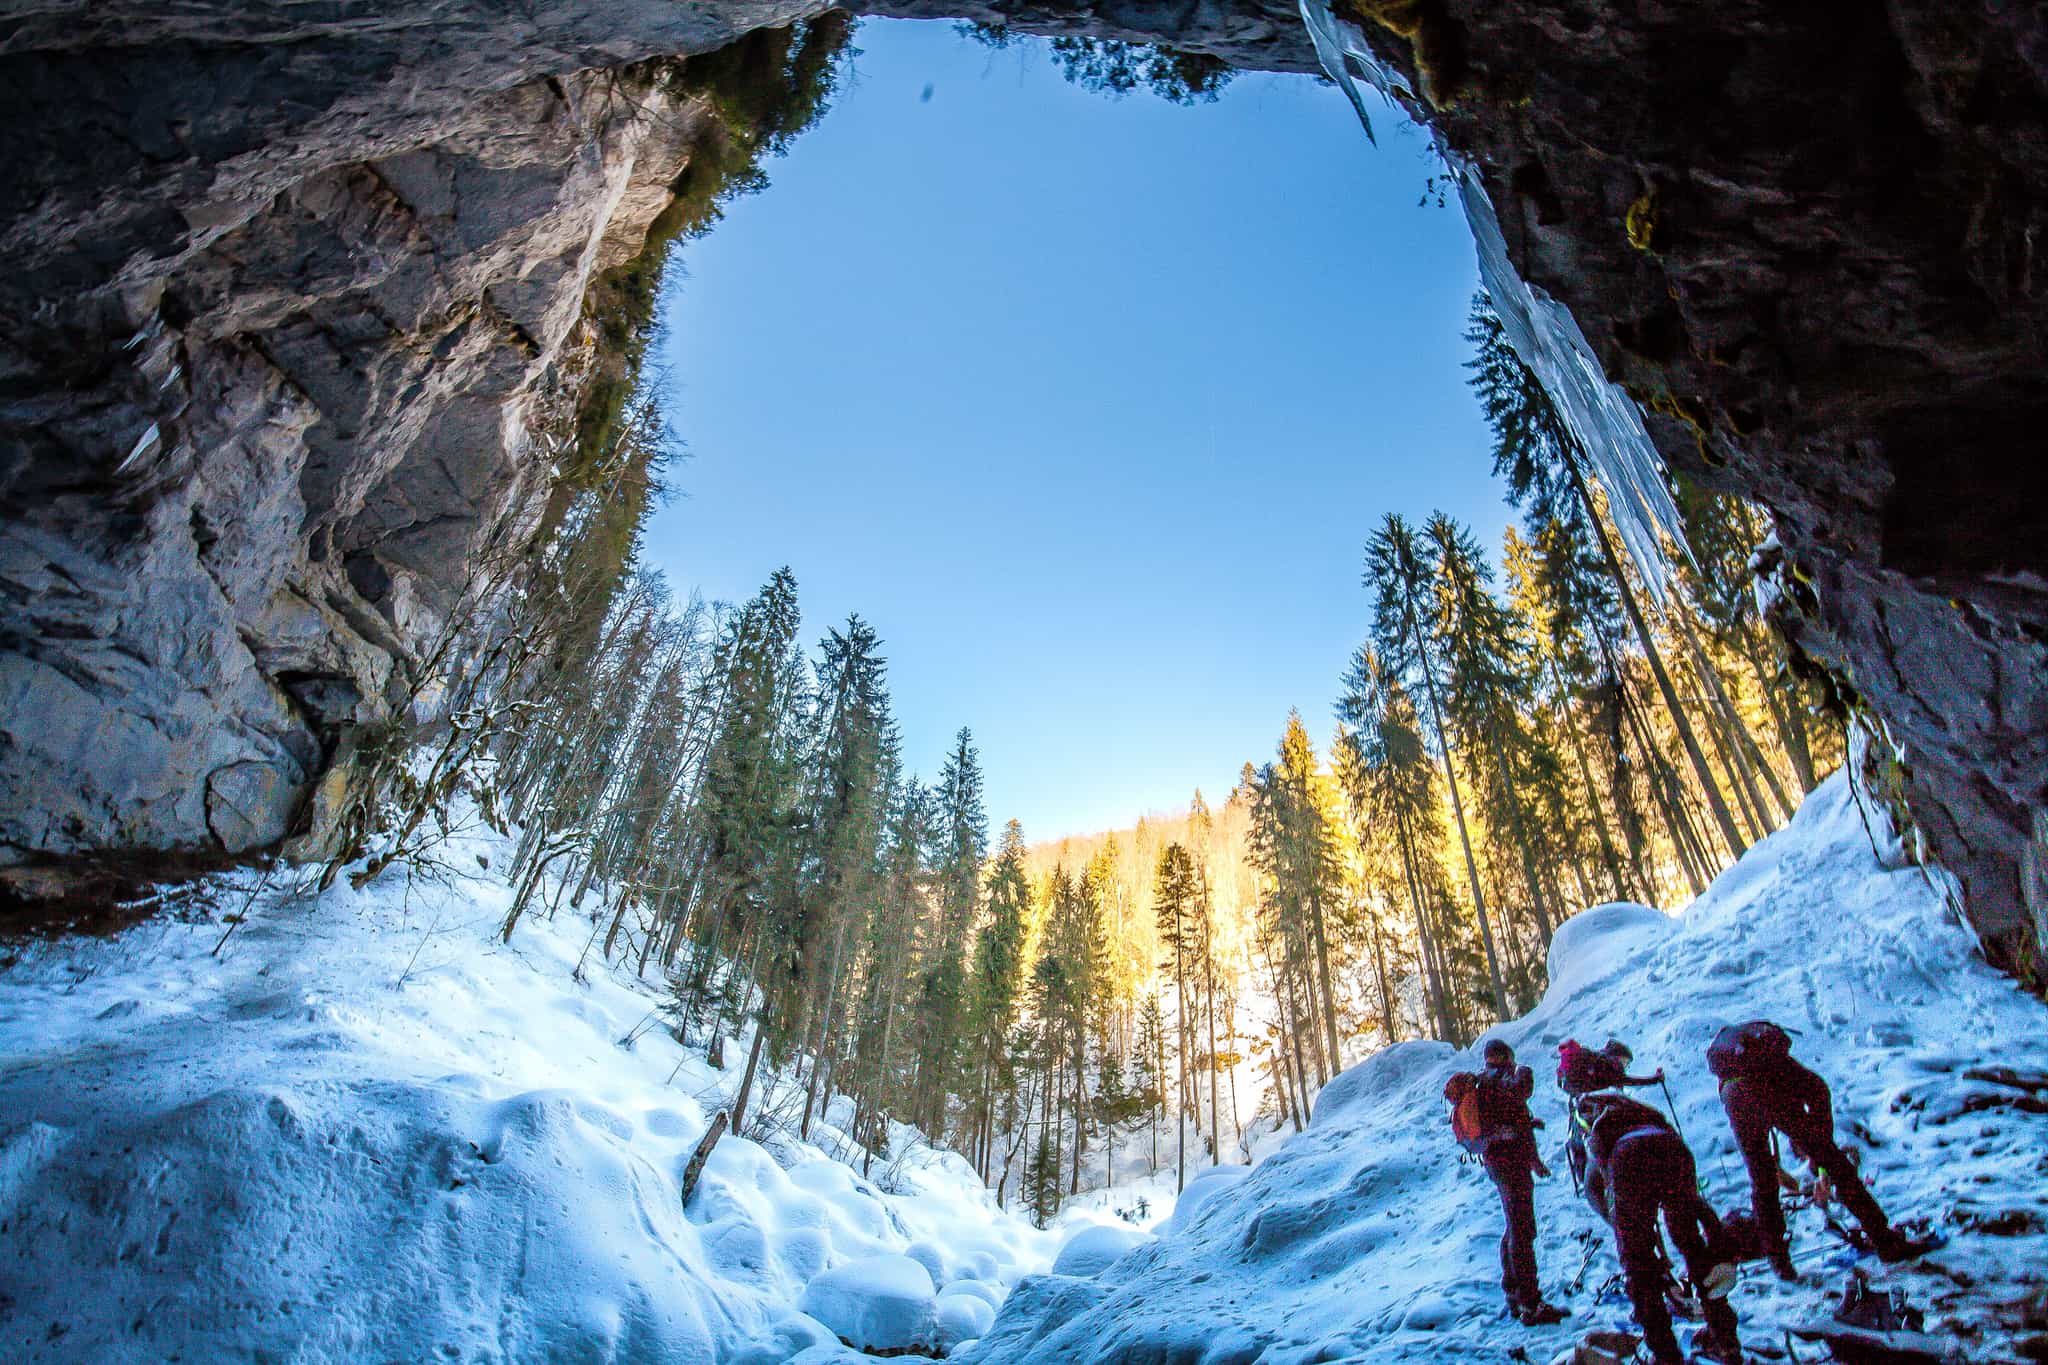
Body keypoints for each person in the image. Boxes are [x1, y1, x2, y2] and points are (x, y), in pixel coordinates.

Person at [1709, 1021, 1933, 1279]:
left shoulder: (1734, 1068)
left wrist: (1810, 1154)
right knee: (1840, 1169)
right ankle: (1886, 1242)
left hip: (1733, 1099)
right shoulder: (1791, 1075)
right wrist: (1823, 1161)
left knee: (1763, 1183)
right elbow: (1818, 1096)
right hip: (1763, 1094)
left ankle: (1779, 1263)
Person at [1579, 1092, 1743, 1365]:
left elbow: (1597, 1193)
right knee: (1692, 1246)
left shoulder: (1598, 1134)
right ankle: (1726, 1342)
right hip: (1675, 1153)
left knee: (1638, 1267)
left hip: (1627, 1162)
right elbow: (1692, 1202)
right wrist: (1716, 1239)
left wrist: (1637, 1240)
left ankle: (1667, 1356)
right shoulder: (1647, 1116)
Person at [1476, 1039, 1568, 1326]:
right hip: (1509, 1162)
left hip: (1498, 1161)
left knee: (1515, 1226)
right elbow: (1520, 1092)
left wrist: (1530, 1128)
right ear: (1504, 1057)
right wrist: (1525, 1072)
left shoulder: (1484, 1083)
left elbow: (1511, 1113)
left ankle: (1515, 1294)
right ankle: (1530, 1303)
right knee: (1522, 1230)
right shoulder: (1500, 1078)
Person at [1557, 1038, 1666, 1208]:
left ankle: (1587, 1184)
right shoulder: (1608, 1065)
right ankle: (1611, 1182)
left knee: (1579, 1145)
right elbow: (1627, 1080)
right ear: (1619, 1056)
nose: (1625, 1066)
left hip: (1580, 1112)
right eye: (1626, 1062)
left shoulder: (1587, 1064)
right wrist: (1654, 1079)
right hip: (1597, 1115)